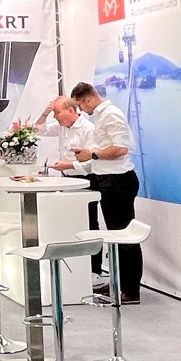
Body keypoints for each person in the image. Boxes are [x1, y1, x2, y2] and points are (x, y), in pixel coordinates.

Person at [71, 81, 143, 304]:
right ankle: (118, 283)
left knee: (124, 236)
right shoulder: (102, 116)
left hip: (118, 181)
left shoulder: (111, 115)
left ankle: (131, 290)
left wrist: (92, 154)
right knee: (115, 235)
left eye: (80, 105)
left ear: (89, 99)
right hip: (108, 180)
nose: (81, 110)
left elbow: (120, 149)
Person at [34, 96, 107, 292]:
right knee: (69, 223)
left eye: (58, 112)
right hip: (67, 179)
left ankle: (95, 270)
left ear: (72, 111)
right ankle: (75, 267)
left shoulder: (88, 129)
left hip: (85, 179)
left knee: (89, 224)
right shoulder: (61, 127)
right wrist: (45, 112)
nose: (55, 117)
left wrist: (69, 165)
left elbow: (91, 161)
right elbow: (38, 129)